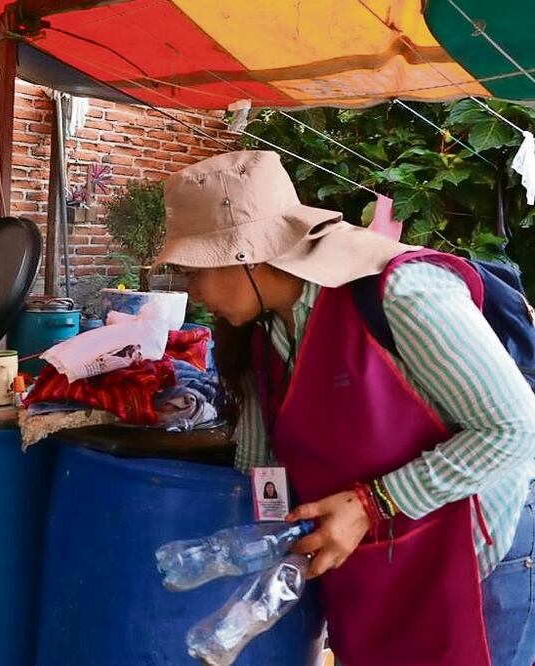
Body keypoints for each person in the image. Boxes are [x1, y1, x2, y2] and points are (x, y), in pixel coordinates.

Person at [154, 150, 535, 665]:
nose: (193, 291)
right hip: (376, 567)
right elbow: (263, 466)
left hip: (477, 557)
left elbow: (514, 427)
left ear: (242, 254)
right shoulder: (263, 333)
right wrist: (258, 543)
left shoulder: (398, 293)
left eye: (193, 272)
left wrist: (371, 504)